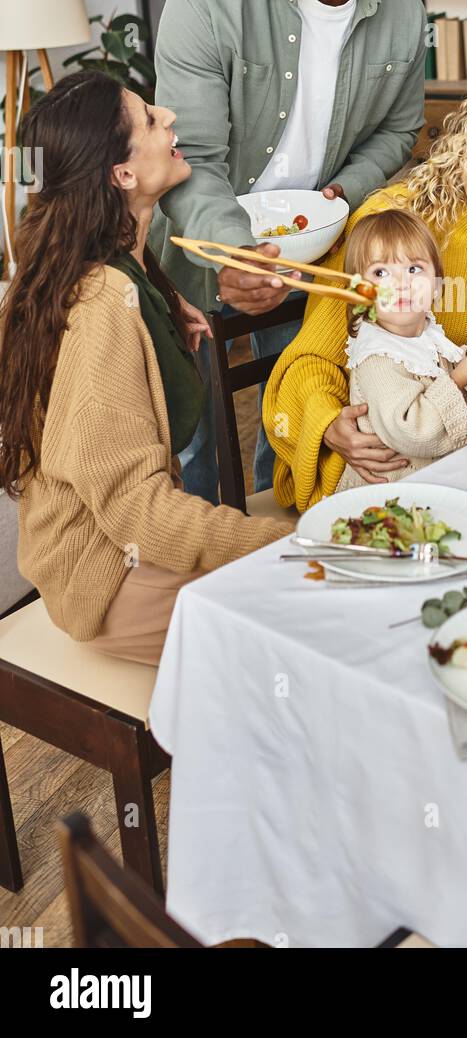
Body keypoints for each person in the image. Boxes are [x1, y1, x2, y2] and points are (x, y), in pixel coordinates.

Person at [149, 0, 429, 502]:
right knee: (194, 443)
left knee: (296, 413)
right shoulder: (206, 0)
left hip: (315, 249)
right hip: (200, 246)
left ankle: (291, 537)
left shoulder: (401, 11)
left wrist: (344, 191)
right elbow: (194, 160)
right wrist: (239, 254)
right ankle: (206, 582)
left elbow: (399, 132)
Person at [0, 72, 290, 666]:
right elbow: (141, 513)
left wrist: (159, 311)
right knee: (305, 621)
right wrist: (286, 543)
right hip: (105, 575)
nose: (170, 117)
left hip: (122, 543)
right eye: (151, 120)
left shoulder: (115, 263)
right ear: (122, 176)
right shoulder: (102, 306)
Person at [262, 69, 467, 509]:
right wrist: (328, 425)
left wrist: (464, 412)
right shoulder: (386, 221)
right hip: (370, 468)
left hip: (461, 456)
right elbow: (313, 358)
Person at [336, 208, 467, 491]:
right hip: (393, 496)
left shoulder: (426, 334)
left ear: (437, 285)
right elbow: (413, 432)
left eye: (413, 269)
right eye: (380, 272)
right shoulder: (377, 358)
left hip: (435, 481)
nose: (401, 284)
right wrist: (458, 379)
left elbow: (451, 395)